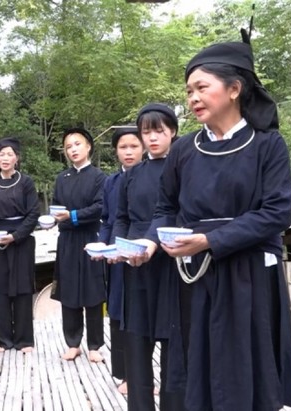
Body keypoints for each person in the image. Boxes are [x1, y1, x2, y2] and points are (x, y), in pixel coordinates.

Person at [133, 38, 291, 410]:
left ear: (234, 89)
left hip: (249, 276)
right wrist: (149, 244)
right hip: (195, 278)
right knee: (198, 371)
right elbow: (166, 208)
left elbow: (277, 214)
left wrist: (208, 240)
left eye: (201, 87)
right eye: (189, 90)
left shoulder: (268, 145)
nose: (192, 98)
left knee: (246, 372)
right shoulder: (184, 150)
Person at [109, 104, 185, 411]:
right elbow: (121, 217)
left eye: (159, 131)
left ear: (173, 132)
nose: (152, 138)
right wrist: (119, 247)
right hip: (135, 264)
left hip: (171, 260)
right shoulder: (132, 174)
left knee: (172, 340)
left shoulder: (184, 167)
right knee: (137, 340)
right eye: (146, 132)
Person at [0, 138, 40, 353]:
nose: (5, 158)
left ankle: (24, 340)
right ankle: (2, 339)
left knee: (22, 287)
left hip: (21, 238)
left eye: (9, 154)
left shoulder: (26, 182)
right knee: (0, 288)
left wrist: (16, 236)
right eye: (1, 154)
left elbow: (33, 213)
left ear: (17, 158)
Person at [50, 127, 107, 362]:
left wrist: (72, 216)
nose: (73, 149)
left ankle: (94, 345)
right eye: (68, 147)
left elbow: (99, 207)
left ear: (88, 146)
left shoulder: (99, 177)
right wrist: (52, 218)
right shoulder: (62, 178)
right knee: (69, 291)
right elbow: (55, 206)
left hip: (90, 238)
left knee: (93, 291)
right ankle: (73, 343)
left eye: (77, 144)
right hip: (67, 240)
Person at [95, 125, 142, 395]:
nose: (128, 152)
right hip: (115, 257)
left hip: (144, 251)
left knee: (144, 314)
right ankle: (124, 374)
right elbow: (106, 220)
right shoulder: (111, 182)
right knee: (118, 312)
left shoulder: (156, 176)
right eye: (123, 147)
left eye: (133, 146)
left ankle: (147, 375)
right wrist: (103, 245)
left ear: (143, 147)